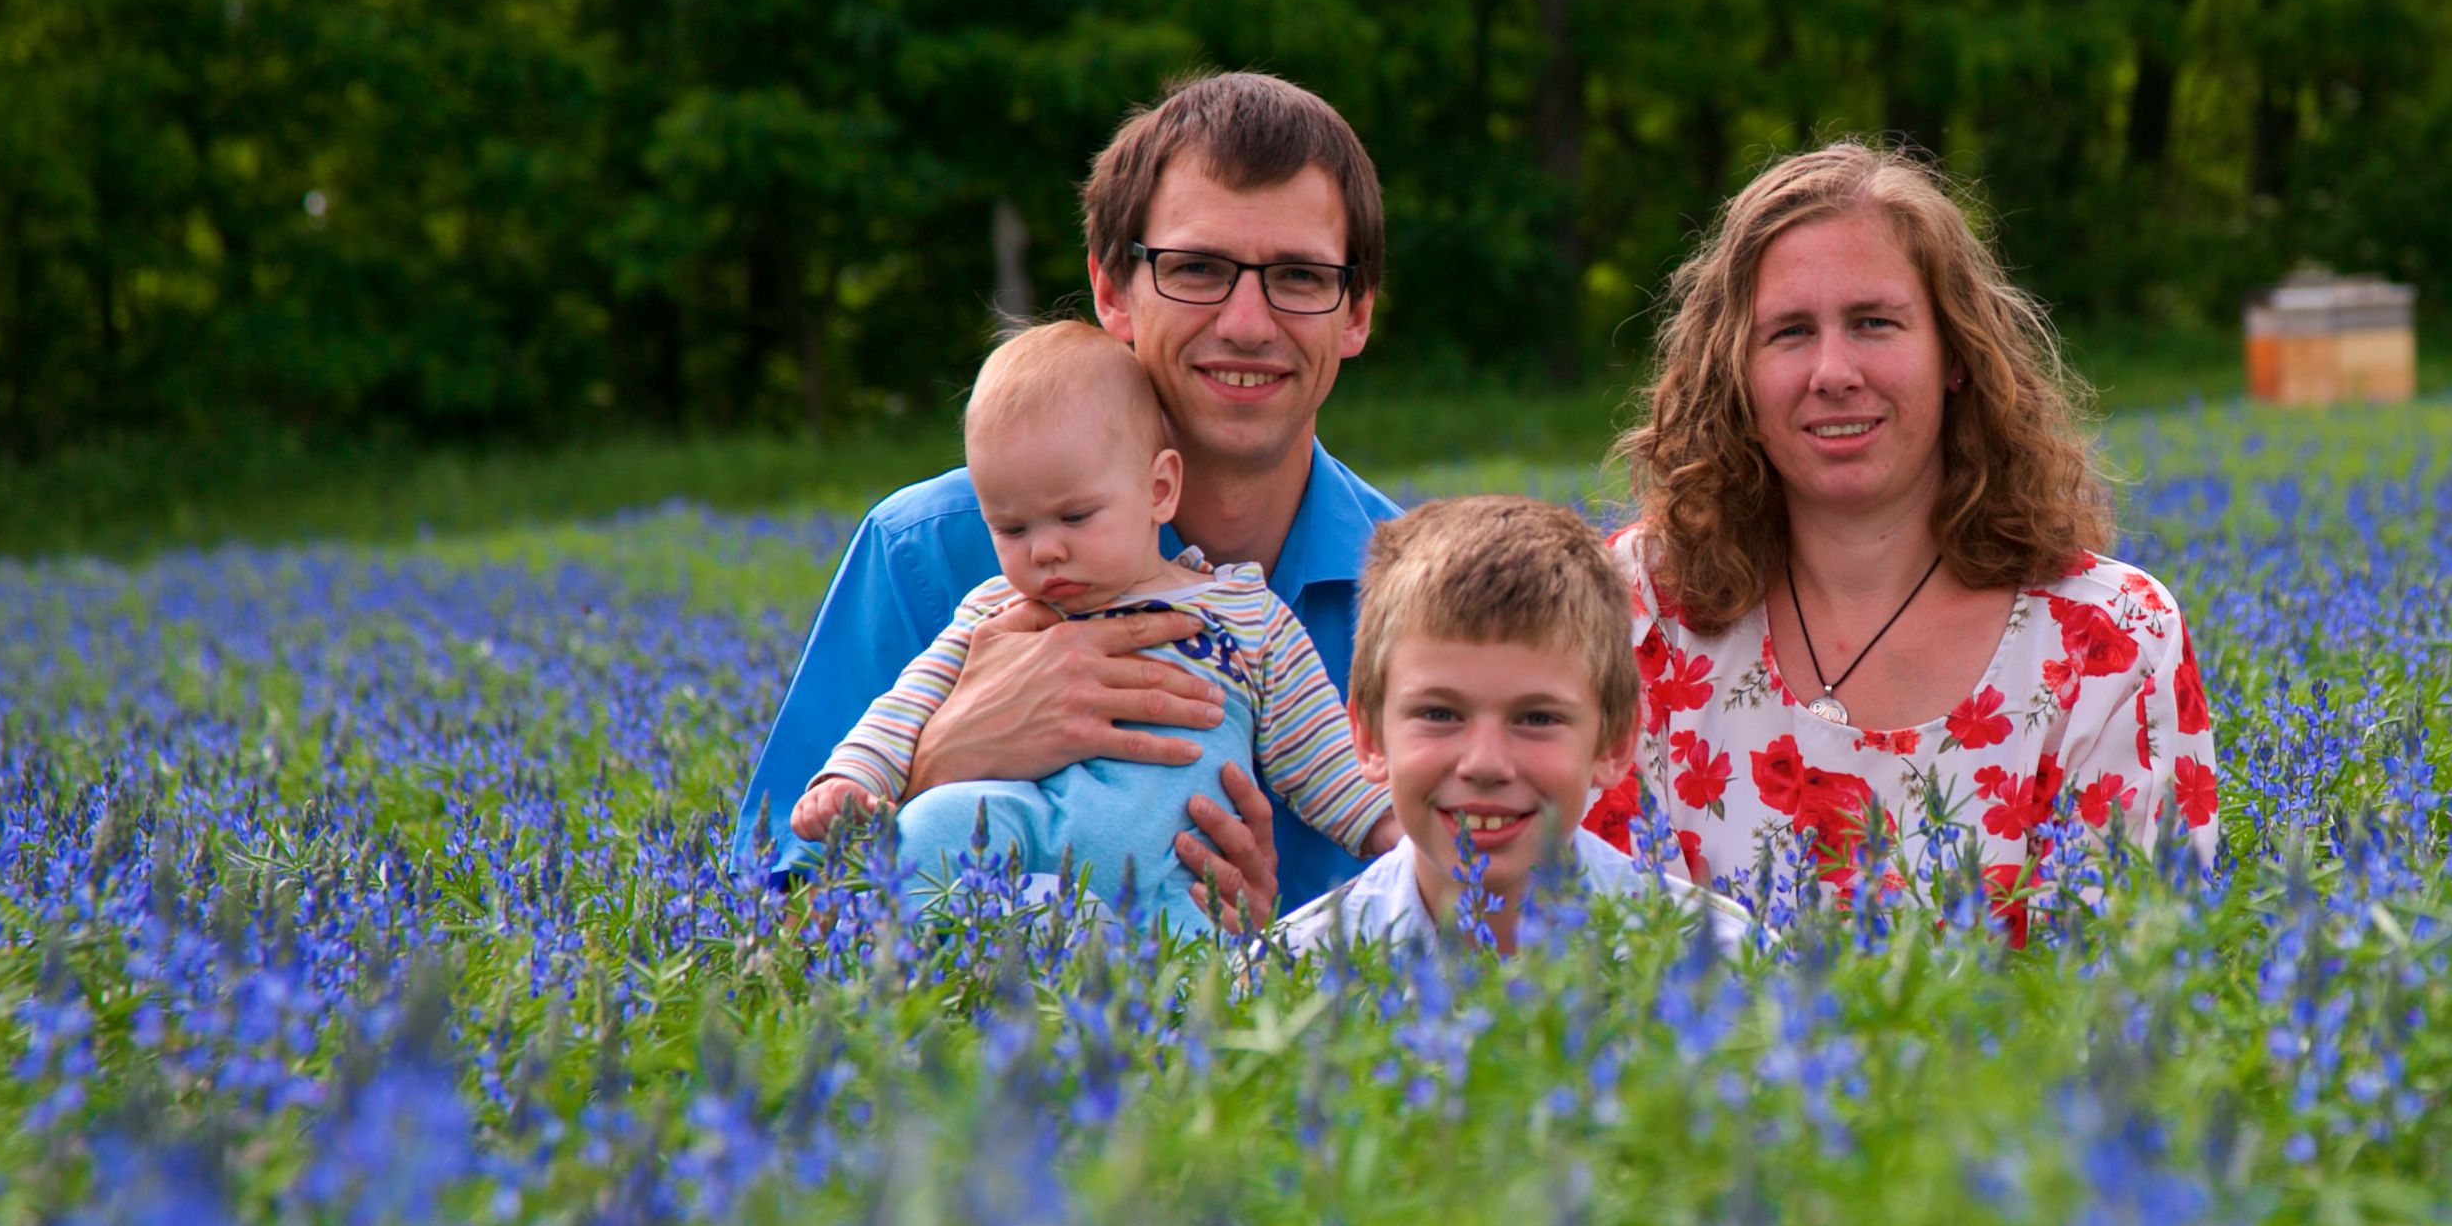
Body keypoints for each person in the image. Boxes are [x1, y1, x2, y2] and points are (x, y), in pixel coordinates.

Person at [734, 72, 1399, 925]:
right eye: (1197, 267)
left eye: (1301, 277)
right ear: (1113, 290)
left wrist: (1269, 948)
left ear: (1357, 311)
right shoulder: (927, 554)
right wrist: (937, 765)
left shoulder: (1422, 591)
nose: (1246, 322)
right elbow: (760, 928)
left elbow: (1494, 910)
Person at [1598, 139, 2220, 909]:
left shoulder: (2110, 638)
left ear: (1954, 354)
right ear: (1736, 373)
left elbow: (2130, 969)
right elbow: (1594, 936)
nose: (1834, 373)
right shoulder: (1634, 607)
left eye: (1874, 323)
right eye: (1789, 332)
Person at [788, 321, 1396, 924]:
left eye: (1075, 517)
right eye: (1012, 529)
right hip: (1016, 840)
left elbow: (1319, 752)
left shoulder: (1244, 612)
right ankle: (900, 948)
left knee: (1204, 966)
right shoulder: (996, 611)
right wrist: (852, 776)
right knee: (928, 828)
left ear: (1159, 489)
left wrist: (1391, 829)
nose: (1045, 551)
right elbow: (907, 706)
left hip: (1170, 878)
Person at [1274, 495, 1752, 958]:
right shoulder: (1282, 977)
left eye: (1536, 718)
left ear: (1614, 742)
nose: (1485, 763)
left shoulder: (1727, 969)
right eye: (1439, 715)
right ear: (1370, 736)